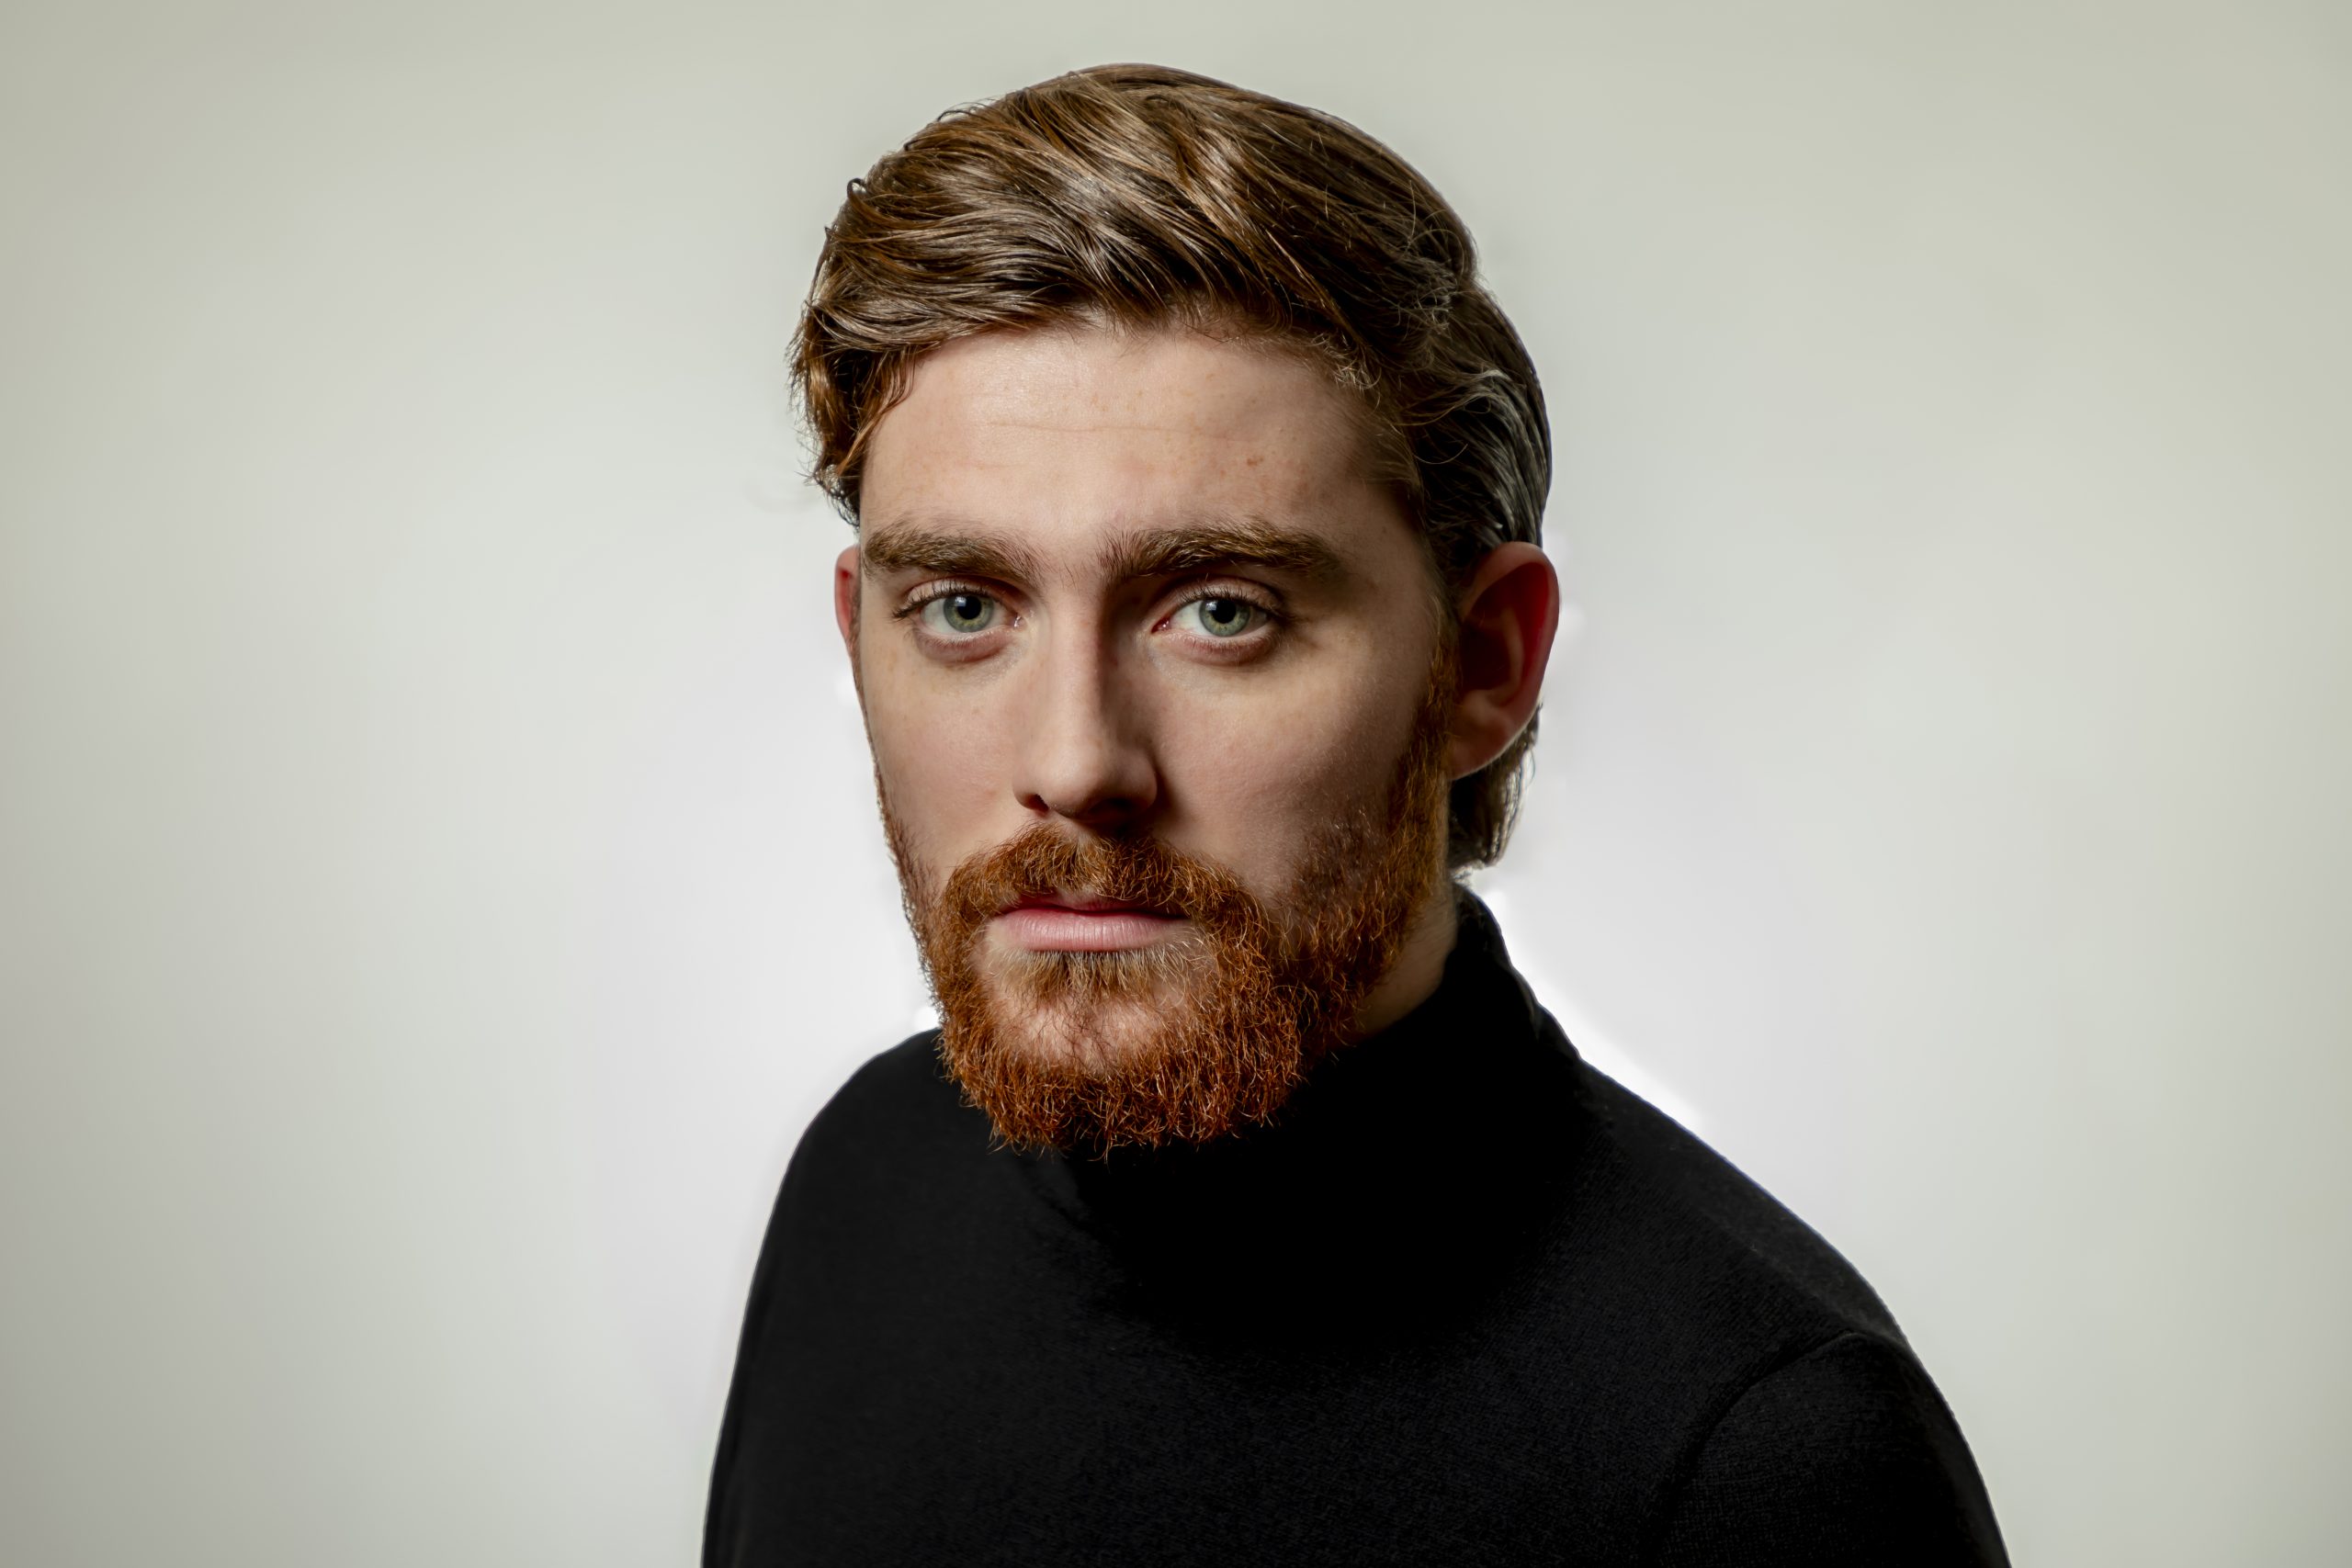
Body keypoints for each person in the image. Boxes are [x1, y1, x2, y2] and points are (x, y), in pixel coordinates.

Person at [706, 63, 2008, 1566]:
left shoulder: (1765, 1458)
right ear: (863, 628)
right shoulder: (866, 1181)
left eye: (1218, 609)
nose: (1076, 762)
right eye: (964, 607)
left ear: (1483, 663)